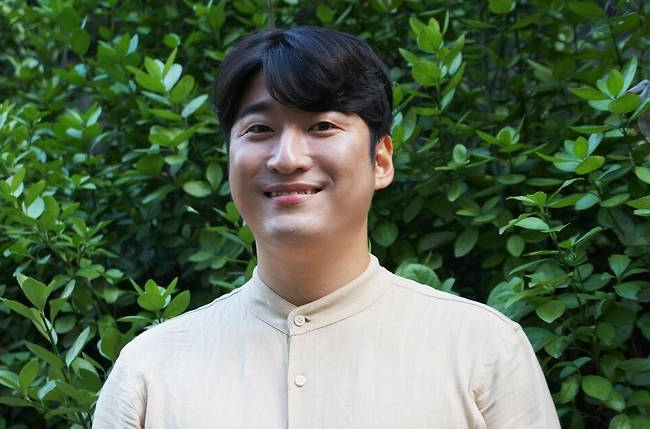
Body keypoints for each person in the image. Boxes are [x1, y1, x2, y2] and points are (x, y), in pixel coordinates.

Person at [93, 26, 561, 429]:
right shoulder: (151, 370)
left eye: (321, 126)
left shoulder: (482, 350)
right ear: (230, 158)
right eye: (259, 130)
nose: (287, 159)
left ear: (381, 160)